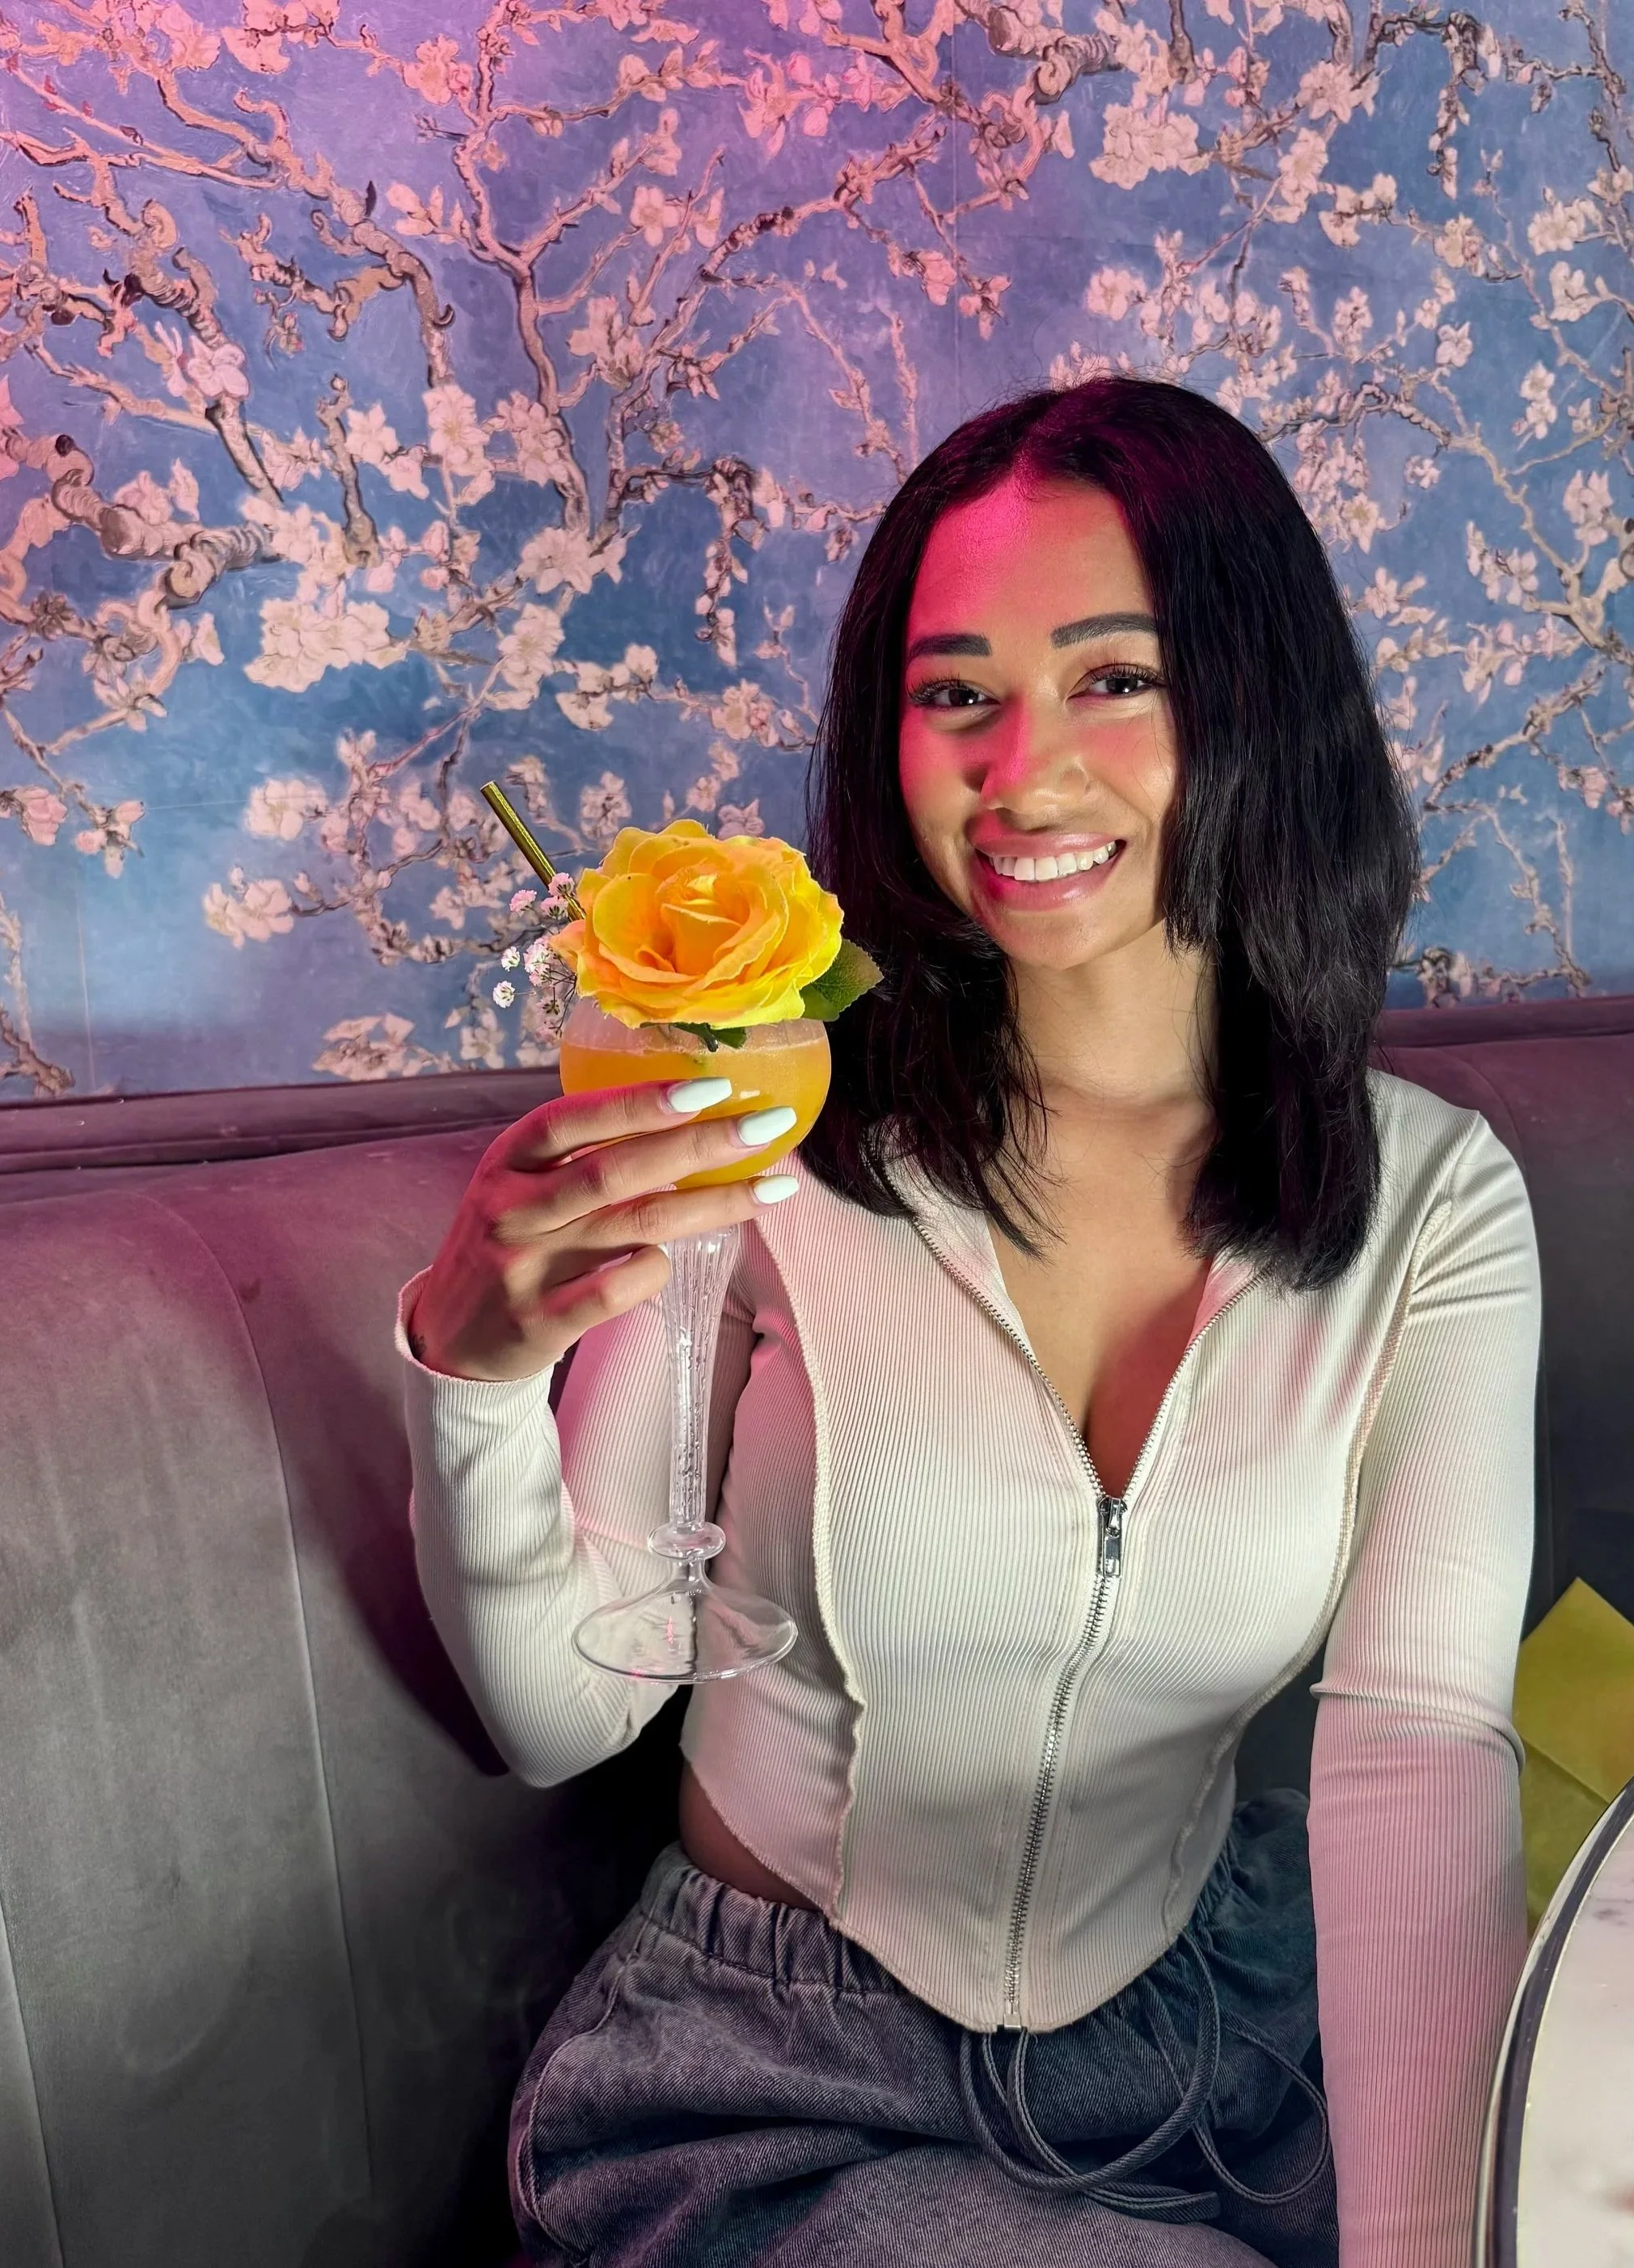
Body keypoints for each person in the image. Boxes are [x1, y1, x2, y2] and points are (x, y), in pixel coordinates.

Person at [399, 377, 1542, 2268]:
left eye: (1113, 677)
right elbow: (559, 1706)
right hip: (770, 2090)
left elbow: (1414, 1745)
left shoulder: (1430, 1202)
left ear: (1254, 697)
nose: (1020, 768)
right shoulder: (758, 1133)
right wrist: (473, 1369)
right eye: (954, 694)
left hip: (1219, 2048)